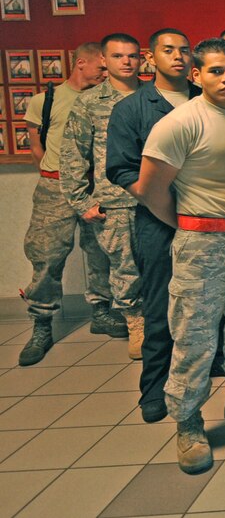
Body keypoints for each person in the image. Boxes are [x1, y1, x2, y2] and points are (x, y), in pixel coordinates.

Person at [131, 38, 225, 474]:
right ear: (196, 75)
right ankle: (188, 420)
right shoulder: (179, 122)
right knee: (194, 334)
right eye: (215, 71)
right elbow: (150, 190)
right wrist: (189, 225)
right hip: (201, 243)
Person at [106, 29, 200, 422]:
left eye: (184, 50)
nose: (178, 56)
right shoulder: (134, 107)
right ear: (151, 57)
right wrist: (166, 211)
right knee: (160, 306)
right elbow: (123, 169)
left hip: (210, 218)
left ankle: (213, 368)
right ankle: (154, 388)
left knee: (210, 304)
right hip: (158, 219)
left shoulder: (206, 99)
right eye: (168, 50)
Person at [18, 42, 112, 366]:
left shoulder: (106, 98)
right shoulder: (45, 101)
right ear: (81, 63)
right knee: (46, 256)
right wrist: (53, 177)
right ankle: (41, 325)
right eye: (101, 67)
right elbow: (35, 146)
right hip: (54, 185)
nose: (105, 73)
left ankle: (102, 311)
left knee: (101, 250)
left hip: (95, 185)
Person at [59, 33, 145, 360]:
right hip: (114, 201)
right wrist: (82, 203)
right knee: (124, 268)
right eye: (118, 56)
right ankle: (136, 324)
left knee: (163, 265)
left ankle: (164, 324)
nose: (126, 61)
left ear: (141, 60)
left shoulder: (155, 97)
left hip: (157, 198)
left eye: (132, 56)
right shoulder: (89, 102)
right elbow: (73, 155)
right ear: (104, 62)